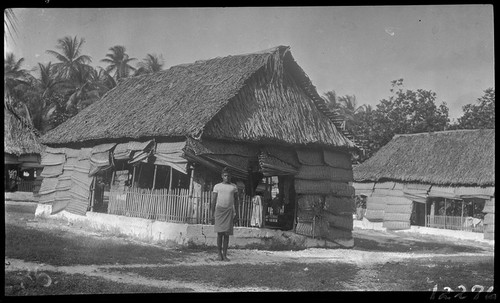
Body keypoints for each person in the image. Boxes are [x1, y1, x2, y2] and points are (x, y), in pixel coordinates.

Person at [211, 167, 239, 261]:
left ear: (231, 177)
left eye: (229, 176)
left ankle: (225, 255)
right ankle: (219, 254)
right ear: (222, 176)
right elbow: (214, 200)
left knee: (226, 234)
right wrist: (212, 214)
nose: (227, 177)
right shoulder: (217, 186)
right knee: (220, 234)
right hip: (219, 211)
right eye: (225, 175)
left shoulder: (233, 187)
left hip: (229, 211)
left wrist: (237, 213)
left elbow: (236, 201)